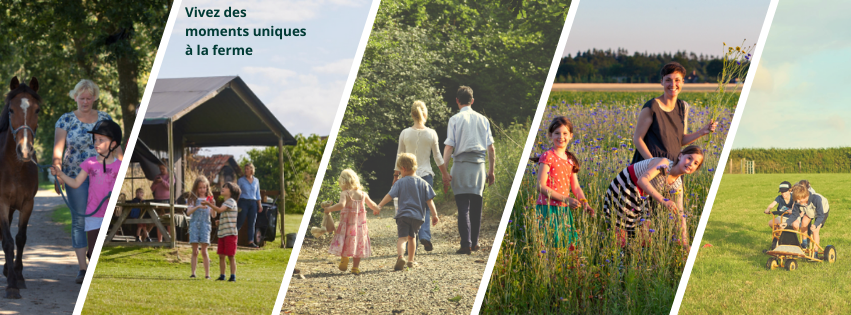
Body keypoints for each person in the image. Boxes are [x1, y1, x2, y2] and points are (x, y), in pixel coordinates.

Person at [52, 79, 123, 284]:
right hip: (76, 176)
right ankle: (83, 268)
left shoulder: (104, 118)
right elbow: (58, 149)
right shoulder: (65, 120)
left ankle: (97, 263)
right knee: (80, 219)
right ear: (75, 98)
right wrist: (58, 174)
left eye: (89, 98)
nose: (85, 101)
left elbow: (117, 149)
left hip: (104, 176)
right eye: (81, 98)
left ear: (94, 99)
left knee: (102, 219)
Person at [603, 145, 705, 253]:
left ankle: (634, 258)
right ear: (680, 156)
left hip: (641, 196)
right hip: (625, 187)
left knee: (645, 233)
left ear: (696, 169)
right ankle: (613, 255)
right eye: (689, 158)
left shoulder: (677, 184)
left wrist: (685, 243)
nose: (690, 163)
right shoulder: (664, 163)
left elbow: (680, 213)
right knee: (621, 232)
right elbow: (642, 181)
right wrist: (664, 201)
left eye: (695, 163)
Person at [443, 86, 495, 255]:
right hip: (479, 166)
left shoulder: (455, 119)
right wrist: (491, 171)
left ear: (457, 101)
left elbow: (449, 146)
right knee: (476, 206)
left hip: (460, 165)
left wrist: (444, 171)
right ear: (472, 101)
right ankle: (475, 242)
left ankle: (465, 243)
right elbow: (491, 149)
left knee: (463, 206)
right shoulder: (483, 120)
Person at [393, 100, 450, 252]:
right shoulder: (431, 133)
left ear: (412, 114)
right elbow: (437, 156)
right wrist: (445, 174)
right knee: (425, 207)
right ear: (425, 114)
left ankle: (411, 244)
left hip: (407, 177)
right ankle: (425, 235)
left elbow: (399, 156)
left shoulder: (405, 133)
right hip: (426, 176)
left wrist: (396, 175)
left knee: (408, 208)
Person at [631, 62, 717, 164]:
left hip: (673, 165)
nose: (673, 84)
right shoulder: (651, 107)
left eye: (677, 80)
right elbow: (637, 138)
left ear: (683, 82)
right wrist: (653, 162)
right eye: (668, 80)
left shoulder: (683, 107)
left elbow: (681, 140)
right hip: (648, 165)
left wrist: (702, 131)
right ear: (661, 82)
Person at [533, 117, 594, 248]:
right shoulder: (548, 156)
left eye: (565, 133)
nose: (561, 137)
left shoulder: (570, 159)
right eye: (557, 133)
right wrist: (566, 199)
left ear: (571, 136)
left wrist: (585, 203)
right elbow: (540, 186)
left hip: (563, 210)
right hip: (547, 208)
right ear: (550, 135)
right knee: (551, 244)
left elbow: (576, 187)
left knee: (568, 244)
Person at [378, 154, 440, 271]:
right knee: (412, 238)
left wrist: (379, 205)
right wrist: (435, 215)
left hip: (403, 216)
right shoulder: (423, 183)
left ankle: (401, 257)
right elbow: (430, 201)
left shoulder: (400, 182)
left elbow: (389, 195)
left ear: (403, 168)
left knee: (402, 238)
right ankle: (411, 261)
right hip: (417, 217)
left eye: (400, 170)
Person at [323, 169, 381, 275]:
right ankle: (355, 267)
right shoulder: (363, 194)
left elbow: (341, 205)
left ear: (343, 182)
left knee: (345, 241)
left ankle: (344, 258)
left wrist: (329, 209)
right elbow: (372, 205)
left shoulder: (345, 193)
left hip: (347, 225)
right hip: (360, 227)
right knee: (359, 244)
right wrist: (377, 209)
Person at [205, 182, 241, 282]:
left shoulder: (231, 201)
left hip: (230, 234)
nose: (223, 188)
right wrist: (220, 222)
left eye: (226, 187)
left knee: (231, 256)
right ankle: (222, 275)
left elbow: (220, 211)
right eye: (223, 186)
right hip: (222, 234)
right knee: (221, 256)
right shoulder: (226, 203)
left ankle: (233, 276)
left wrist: (209, 204)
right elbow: (225, 214)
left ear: (231, 191)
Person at [186, 176, 215, 279]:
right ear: (196, 188)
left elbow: (214, 215)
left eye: (204, 187)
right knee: (195, 251)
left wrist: (212, 206)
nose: (202, 190)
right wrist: (197, 206)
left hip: (205, 225)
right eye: (200, 187)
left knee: (204, 250)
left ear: (207, 188)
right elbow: (188, 212)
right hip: (194, 225)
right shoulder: (193, 199)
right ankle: (193, 273)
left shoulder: (210, 199)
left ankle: (207, 275)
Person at [786, 184, 830, 249]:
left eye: (799, 200)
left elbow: (821, 215)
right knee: (804, 222)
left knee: (815, 231)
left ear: (806, 196)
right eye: (796, 200)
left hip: (822, 211)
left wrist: (815, 225)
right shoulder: (798, 202)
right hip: (810, 210)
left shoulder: (816, 199)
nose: (798, 202)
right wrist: (786, 223)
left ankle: (815, 252)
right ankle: (804, 244)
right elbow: (794, 215)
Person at [237, 163, 263, 248]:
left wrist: (259, 205)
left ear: (252, 170)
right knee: (240, 221)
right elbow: (237, 193)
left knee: (252, 223)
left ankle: (251, 241)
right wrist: (236, 204)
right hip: (243, 202)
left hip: (253, 203)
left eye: (247, 169)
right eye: (245, 169)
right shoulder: (241, 180)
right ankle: (233, 240)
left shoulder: (256, 181)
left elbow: (257, 193)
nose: (246, 170)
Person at [149, 163, 171, 242]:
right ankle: (160, 240)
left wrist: (162, 181)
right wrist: (156, 182)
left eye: (163, 169)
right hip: (157, 200)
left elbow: (169, 187)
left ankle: (170, 240)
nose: (161, 171)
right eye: (160, 169)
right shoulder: (157, 176)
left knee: (169, 221)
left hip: (167, 200)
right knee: (158, 220)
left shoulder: (170, 176)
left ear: (167, 168)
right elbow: (152, 188)